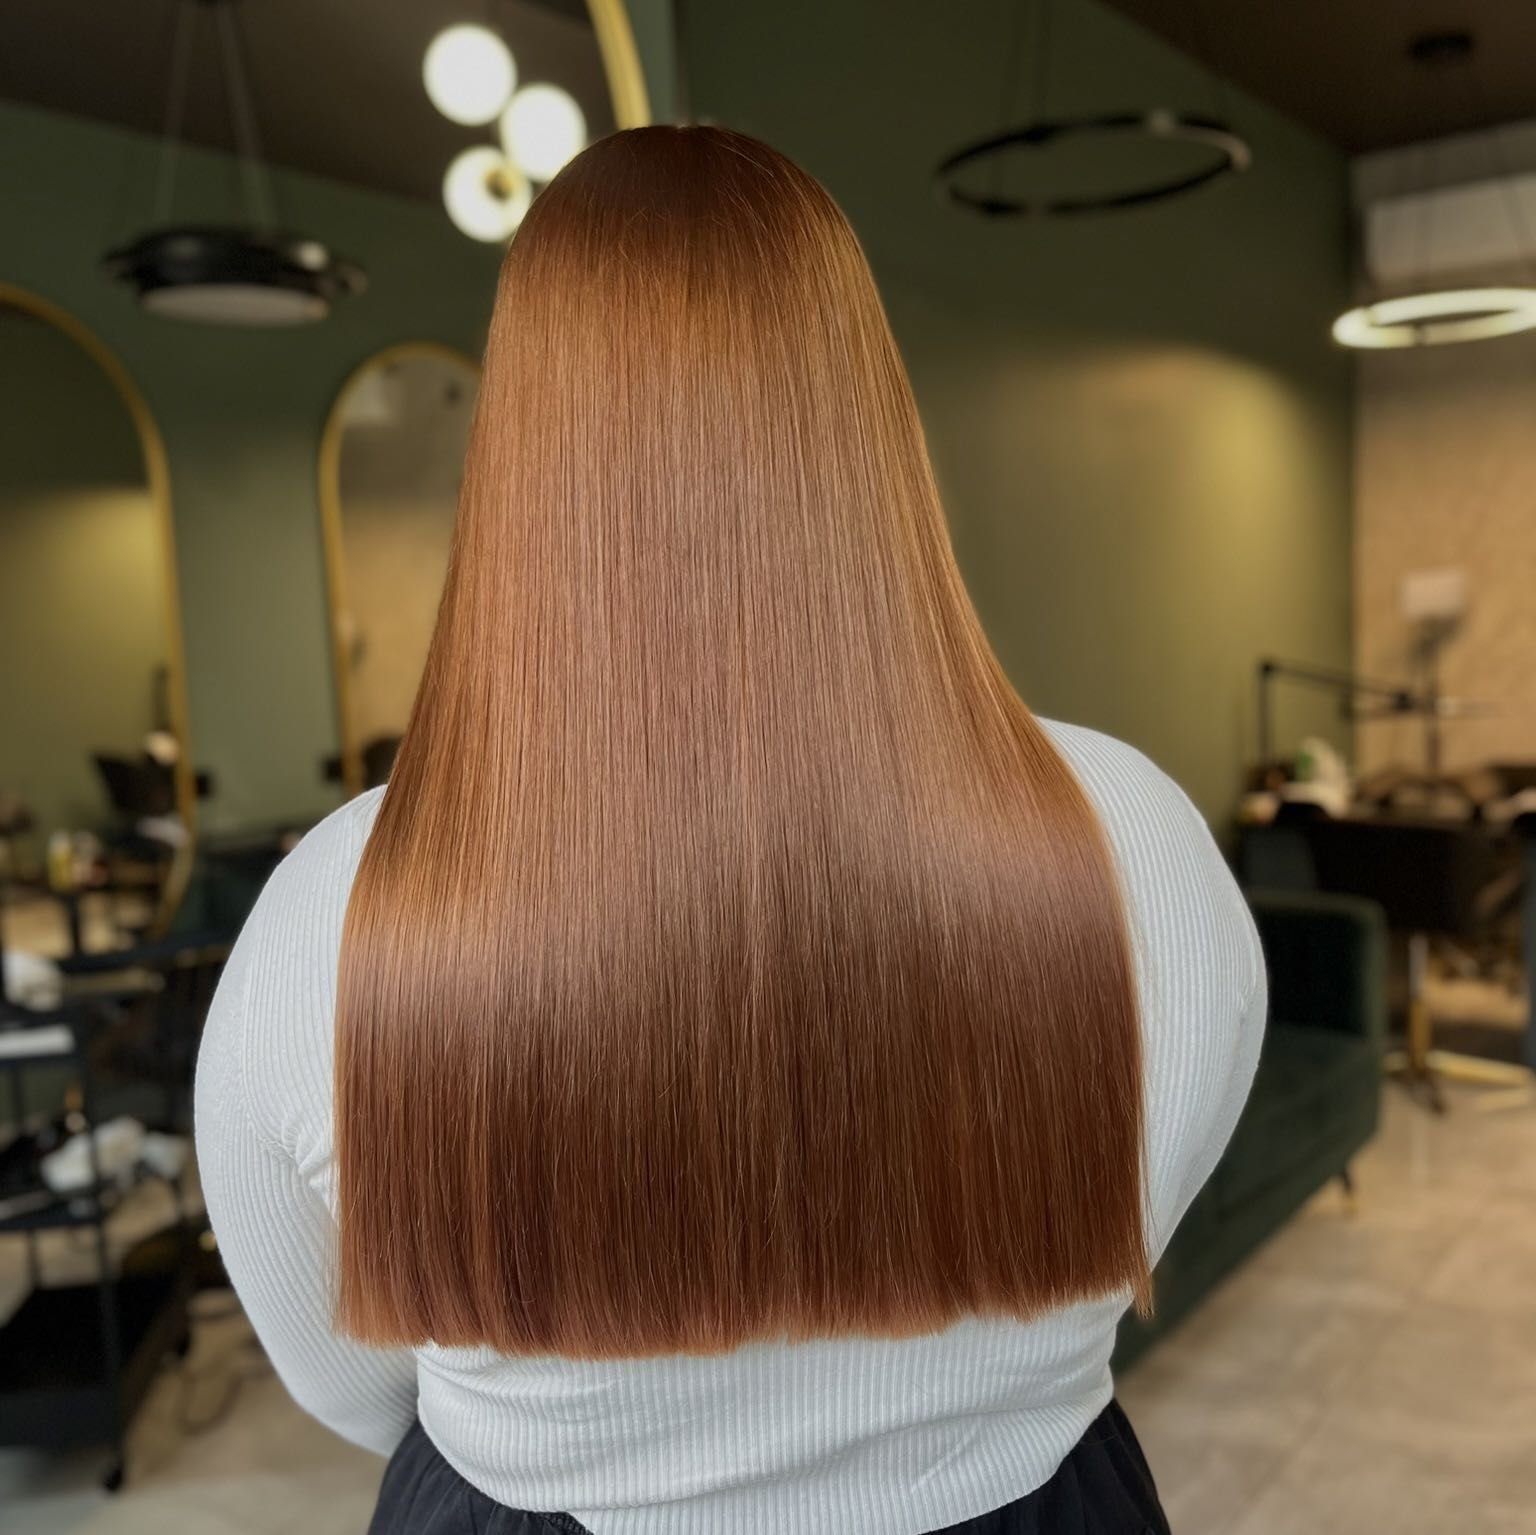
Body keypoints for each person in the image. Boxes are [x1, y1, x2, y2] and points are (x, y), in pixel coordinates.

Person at [196, 125, 1264, 1535]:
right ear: (868, 411)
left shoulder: (342, 907)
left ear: (522, 442)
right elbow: (1151, 1194)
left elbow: (345, 1379)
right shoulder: (1136, 835)